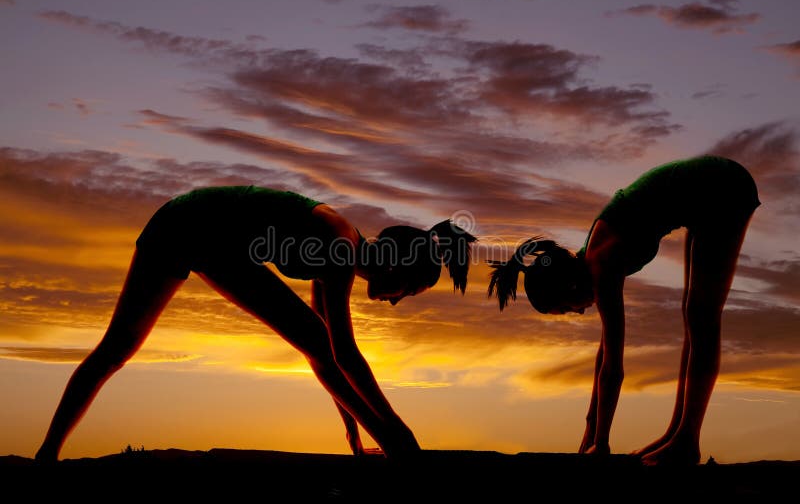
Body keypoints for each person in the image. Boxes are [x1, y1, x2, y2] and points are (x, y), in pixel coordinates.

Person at [36, 185, 476, 461]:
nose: (397, 303)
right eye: (408, 292)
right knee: (117, 349)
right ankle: (47, 456)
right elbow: (341, 352)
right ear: (398, 269)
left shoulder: (343, 250)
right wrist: (400, 434)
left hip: (217, 242)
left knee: (312, 339)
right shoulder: (341, 248)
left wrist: (353, 434)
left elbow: (326, 355)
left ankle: (47, 455)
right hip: (187, 224)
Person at [487, 155, 760, 466]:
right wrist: (591, 429)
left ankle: (686, 440)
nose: (577, 313)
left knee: (702, 315)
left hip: (721, 186)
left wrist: (601, 444)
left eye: (565, 308)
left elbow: (614, 368)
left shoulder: (602, 263)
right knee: (693, 314)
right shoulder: (592, 254)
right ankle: (677, 433)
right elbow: (603, 357)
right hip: (703, 195)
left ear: (569, 286)